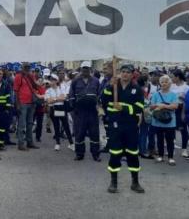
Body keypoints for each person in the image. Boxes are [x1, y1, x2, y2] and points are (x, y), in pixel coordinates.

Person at [102, 64, 145, 194]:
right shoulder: (113, 86)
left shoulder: (137, 89)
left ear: (132, 74)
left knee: (133, 154)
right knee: (115, 154)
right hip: (116, 125)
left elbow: (139, 108)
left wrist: (124, 108)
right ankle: (113, 182)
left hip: (131, 126)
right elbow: (104, 102)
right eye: (123, 71)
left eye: (128, 72)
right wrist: (109, 86)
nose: (125, 74)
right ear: (120, 73)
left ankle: (135, 182)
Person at [69, 61, 101, 162]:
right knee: (79, 133)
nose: (85, 70)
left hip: (92, 112)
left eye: (87, 68)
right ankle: (79, 154)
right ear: (81, 69)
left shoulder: (96, 81)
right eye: (84, 68)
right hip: (80, 112)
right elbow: (71, 95)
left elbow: (99, 96)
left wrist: (99, 108)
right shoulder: (75, 81)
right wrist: (74, 108)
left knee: (94, 133)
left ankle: (95, 154)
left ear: (90, 69)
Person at [150, 75, 178, 166]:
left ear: (169, 84)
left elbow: (175, 106)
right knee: (159, 139)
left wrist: (164, 106)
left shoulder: (173, 94)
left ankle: (170, 157)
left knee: (170, 140)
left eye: (166, 82)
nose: (164, 84)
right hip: (158, 121)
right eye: (162, 82)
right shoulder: (156, 94)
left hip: (170, 122)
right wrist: (158, 105)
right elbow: (151, 106)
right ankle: (160, 156)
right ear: (160, 83)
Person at [13, 63, 39, 150]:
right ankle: (21, 144)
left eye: (28, 67)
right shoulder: (18, 76)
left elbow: (36, 86)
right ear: (22, 67)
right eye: (25, 67)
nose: (27, 69)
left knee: (30, 124)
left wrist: (32, 78)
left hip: (31, 102)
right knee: (22, 124)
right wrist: (17, 104)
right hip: (22, 103)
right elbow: (16, 91)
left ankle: (30, 142)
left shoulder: (30, 76)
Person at [45, 75, 73, 151]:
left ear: (57, 81)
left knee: (66, 125)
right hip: (54, 109)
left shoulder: (61, 88)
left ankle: (71, 143)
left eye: (53, 80)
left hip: (61, 108)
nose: (51, 81)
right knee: (56, 126)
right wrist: (57, 99)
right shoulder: (48, 90)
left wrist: (53, 99)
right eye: (50, 80)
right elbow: (48, 101)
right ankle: (57, 143)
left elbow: (64, 98)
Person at [170, 70, 189, 157]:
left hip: (181, 108)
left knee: (183, 129)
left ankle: (184, 149)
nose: (172, 79)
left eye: (173, 77)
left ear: (178, 77)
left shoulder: (186, 87)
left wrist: (183, 113)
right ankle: (171, 147)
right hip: (172, 108)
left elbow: (188, 101)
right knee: (171, 128)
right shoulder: (171, 86)